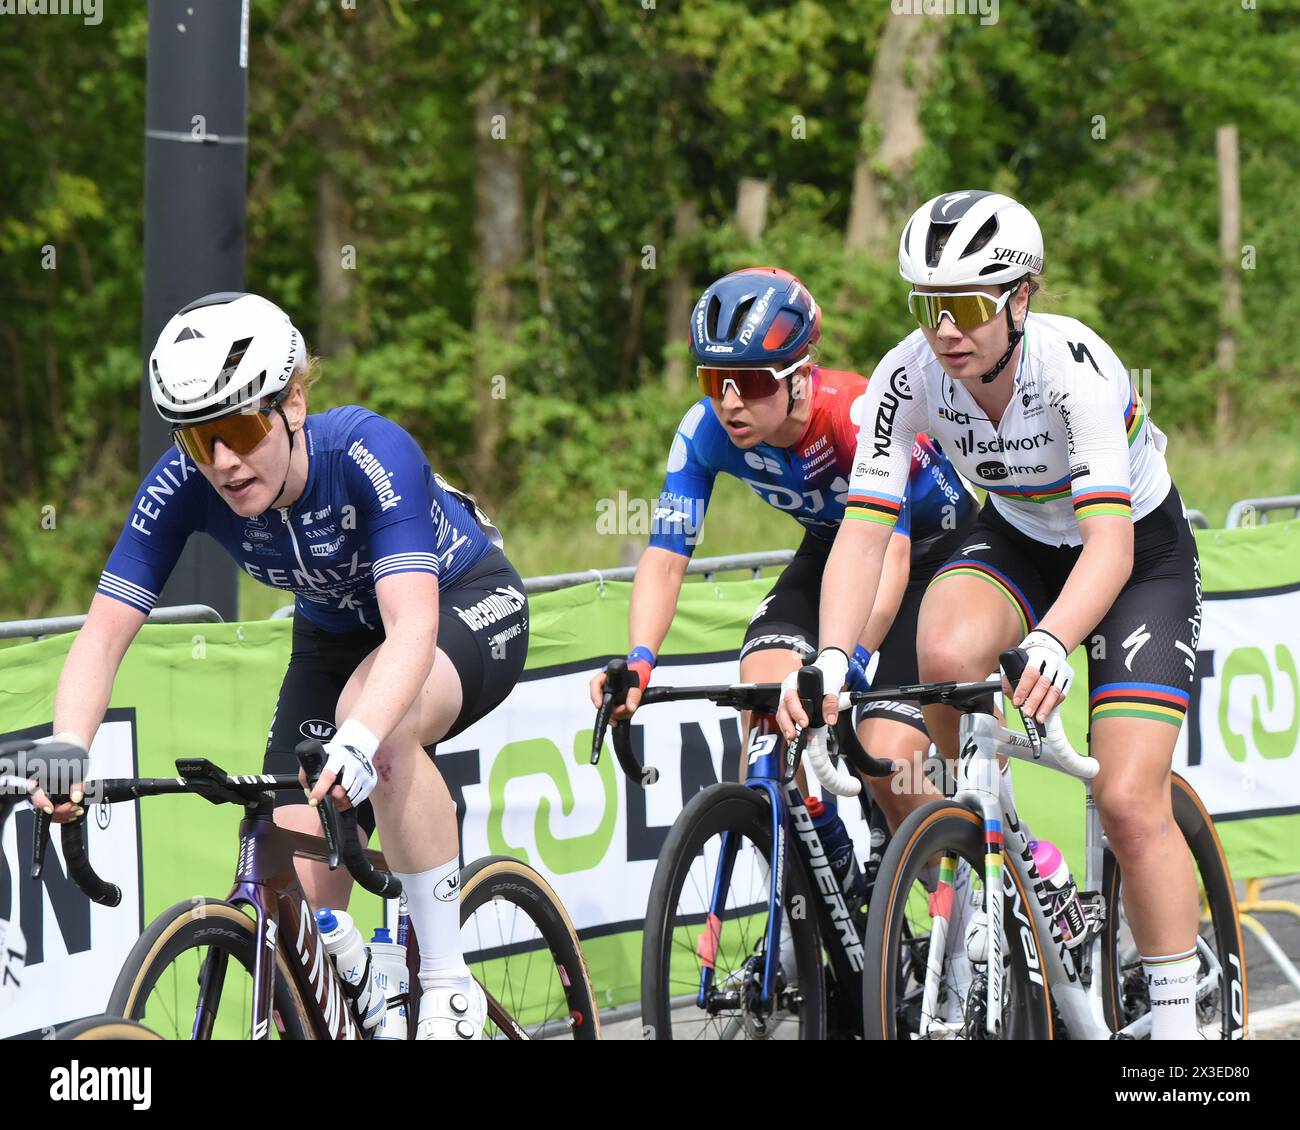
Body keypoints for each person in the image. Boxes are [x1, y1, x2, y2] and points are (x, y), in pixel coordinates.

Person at [29, 292, 528, 1040]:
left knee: (380, 729)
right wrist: (70, 744)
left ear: (293, 402)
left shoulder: (367, 450)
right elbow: (102, 637)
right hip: (332, 640)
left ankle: (449, 987)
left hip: (460, 604)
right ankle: (358, 970)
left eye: (239, 429)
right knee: (297, 867)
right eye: (199, 442)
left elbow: (412, 628)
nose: (224, 463)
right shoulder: (183, 485)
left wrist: (360, 738)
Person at [778, 191, 1203, 1039]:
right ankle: (982, 857)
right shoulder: (909, 375)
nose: (947, 330)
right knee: (944, 645)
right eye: (930, 306)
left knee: (1125, 797)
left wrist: (1051, 640)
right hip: (1016, 534)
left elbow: (1109, 550)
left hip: (1134, 553)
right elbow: (861, 531)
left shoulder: (1072, 370)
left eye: (968, 306)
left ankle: (1182, 1026)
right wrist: (830, 658)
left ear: (1020, 298)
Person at [589, 266, 978, 841]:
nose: (729, 402)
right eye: (713, 379)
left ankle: (958, 885)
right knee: (765, 703)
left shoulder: (855, 415)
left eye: (750, 381)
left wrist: (851, 660)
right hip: (833, 549)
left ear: (800, 377)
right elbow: (667, 556)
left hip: (931, 560)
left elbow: (889, 559)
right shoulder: (704, 431)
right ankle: (822, 845)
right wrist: (641, 659)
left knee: (887, 758)